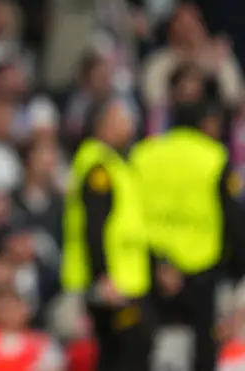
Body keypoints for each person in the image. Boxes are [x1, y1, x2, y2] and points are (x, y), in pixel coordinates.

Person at [132, 99, 245, 371]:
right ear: (206, 124)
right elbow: (233, 218)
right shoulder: (214, 156)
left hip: (149, 266)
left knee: (145, 346)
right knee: (202, 350)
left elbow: (129, 210)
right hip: (200, 268)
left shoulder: (144, 155)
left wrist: (158, 262)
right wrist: (237, 269)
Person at [61, 98, 156, 371]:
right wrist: (104, 278)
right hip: (113, 284)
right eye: (121, 122)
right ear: (102, 126)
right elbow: (94, 227)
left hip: (124, 279)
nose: (129, 128)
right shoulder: (99, 168)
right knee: (127, 353)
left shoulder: (115, 164)